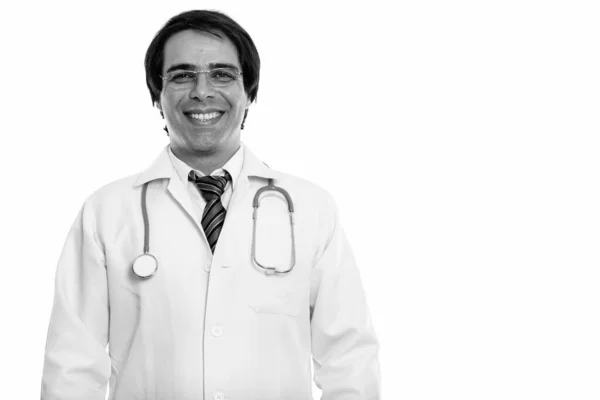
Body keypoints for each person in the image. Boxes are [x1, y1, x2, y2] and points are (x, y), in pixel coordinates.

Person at [41, 9, 381, 400]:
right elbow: (73, 367)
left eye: (222, 74)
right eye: (182, 75)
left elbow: (349, 359)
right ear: (157, 94)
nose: (202, 91)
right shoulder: (107, 212)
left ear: (249, 91)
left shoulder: (311, 209)